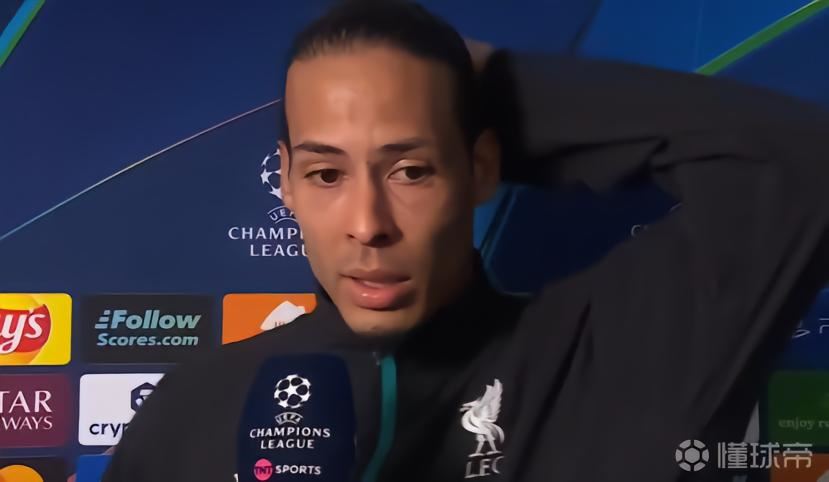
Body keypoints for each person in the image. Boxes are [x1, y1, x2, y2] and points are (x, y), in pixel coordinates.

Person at [102, 1, 829, 481]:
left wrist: (509, 89)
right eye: (326, 174)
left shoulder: (610, 353)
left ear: (480, 168)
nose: (368, 223)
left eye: (411, 170)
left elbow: (805, 167)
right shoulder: (192, 407)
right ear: (285, 182)